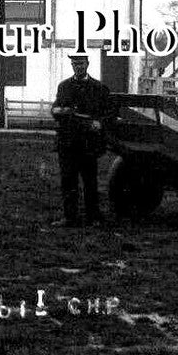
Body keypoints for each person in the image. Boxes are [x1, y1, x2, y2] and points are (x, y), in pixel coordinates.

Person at [50, 53, 113, 227]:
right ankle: (70, 217)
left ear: (87, 64)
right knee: (68, 181)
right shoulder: (64, 86)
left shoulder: (99, 88)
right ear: (72, 65)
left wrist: (99, 123)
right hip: (68, 142)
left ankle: (93, 217)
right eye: (75, 64)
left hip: (88, 143)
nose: (78, 66)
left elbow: (109, 114)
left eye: (81, 63)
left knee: (89, 181)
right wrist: (56, 111)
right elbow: (56, 107)